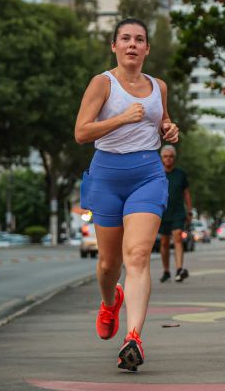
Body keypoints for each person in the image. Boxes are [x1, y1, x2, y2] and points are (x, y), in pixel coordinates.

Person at [74, 18, 180, 371]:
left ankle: (133, 337)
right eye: (125, 39)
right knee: (108, 264)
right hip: (106, 176)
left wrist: (170, 128)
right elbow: (81, 132)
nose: (132, 44)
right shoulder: (102, 83)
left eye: (139, 39)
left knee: (137, 255)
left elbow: (162, 122)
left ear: (147, 48)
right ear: (114, 46)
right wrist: (120, 118)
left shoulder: (158, 86)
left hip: (147, 175)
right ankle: (110, 301)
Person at [158, 144, 192, 283]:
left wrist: (189, 211)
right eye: (165, 156)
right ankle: (166, 271)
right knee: (164, 242)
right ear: (161, 158)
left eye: (171, 156)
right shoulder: (157, 173)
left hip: (178, 212)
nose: (168, 159)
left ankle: (179, 269)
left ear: (175, 158)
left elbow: (186, 193)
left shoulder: (181, 174)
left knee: (177, 238)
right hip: (162, 212)